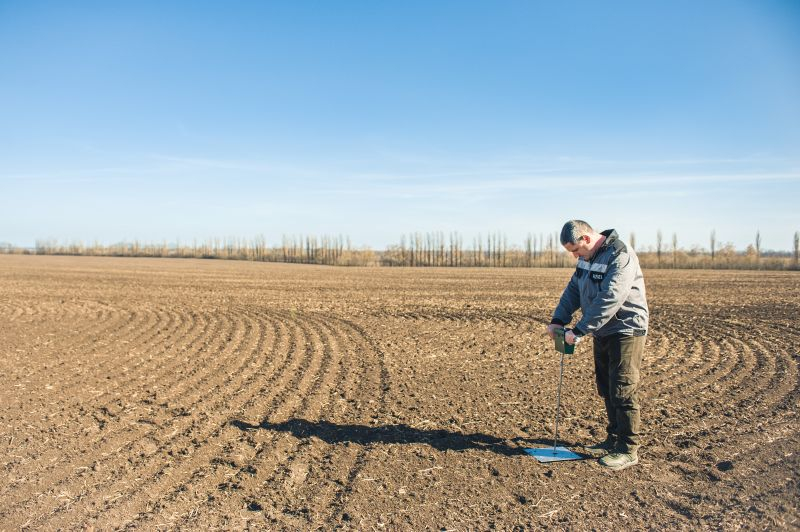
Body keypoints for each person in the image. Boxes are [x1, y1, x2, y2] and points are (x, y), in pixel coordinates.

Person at [546, 220, 649, 471]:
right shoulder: (587, 258)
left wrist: (580, 330)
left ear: (587, 239)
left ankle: (627, 448)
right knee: (606, 385)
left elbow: (610, 297)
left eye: (576, 250)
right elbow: (574, 289)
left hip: (626, 328)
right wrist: (559, 320)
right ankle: (612, 439)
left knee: (623, 388)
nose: (574, 256)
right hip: (602, 329)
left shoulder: (620, 255)